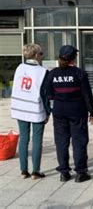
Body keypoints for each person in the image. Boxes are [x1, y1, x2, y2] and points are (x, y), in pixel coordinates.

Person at [45, 45, 93, 183]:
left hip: (59, 112)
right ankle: (81, 172)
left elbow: (49, 94)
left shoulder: (52, 74)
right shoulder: (79, 73)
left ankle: (64, 172)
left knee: (61, 142)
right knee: (79, 142)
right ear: (74, 58)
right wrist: (92, 111)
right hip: (77, 112)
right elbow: (87, 95)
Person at [10, 44, 50, 179]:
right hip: (35, 108)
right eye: (41, 53)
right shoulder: (43, 71)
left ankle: (23, 170)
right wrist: (48, 111)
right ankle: (36, 171)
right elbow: (45, 94)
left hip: (20, 106)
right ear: (36, 55)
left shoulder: (19, 68)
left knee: (24, 139)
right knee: (37, 139)